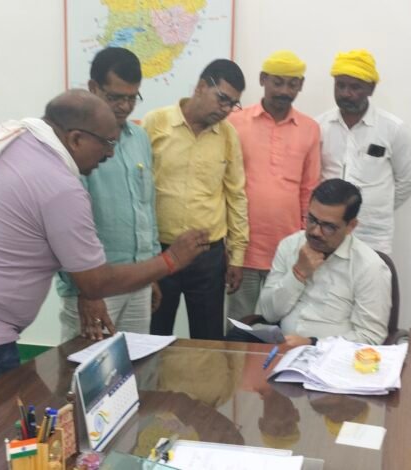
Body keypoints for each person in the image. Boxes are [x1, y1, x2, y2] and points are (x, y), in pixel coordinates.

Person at [0, 90, 209, 415]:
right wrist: (172, 260)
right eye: (108, 143)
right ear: (76, 139)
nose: (110, 154)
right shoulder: (60, 186)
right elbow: (95, 282)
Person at [55, 48, 161, 341]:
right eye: (115, 97)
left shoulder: (140, 138)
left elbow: (146, 207)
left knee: (136, 362)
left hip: (137, 283)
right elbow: (67, 226)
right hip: (96, 287)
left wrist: (150, 273)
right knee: (87, 365)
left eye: (132, 98)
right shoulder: (75, 142)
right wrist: (85, 292)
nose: (125, 107)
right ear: (93, 88)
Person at [143, 59, 249, 340]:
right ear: (201, 86)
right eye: (223, 99)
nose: (226, 110)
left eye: (233, 104)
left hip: (207, 256)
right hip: (160, 252)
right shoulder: (156, 123)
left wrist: (237, 257)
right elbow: (139, 191)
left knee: (208, 340)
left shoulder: (228, 135)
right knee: (154, 337)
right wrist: (143, 256)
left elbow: (236, 195)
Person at [229, 179, 391, 350]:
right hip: (281, 348)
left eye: (328, 227)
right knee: (234, 340)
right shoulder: (290, 245)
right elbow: (269, 314)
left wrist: (313, 344)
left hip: (331, 357)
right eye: (312, 219)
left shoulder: (369, 267)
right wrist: (298, 273)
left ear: (351, 226)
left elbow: (370, 337)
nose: (315, 232)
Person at [227, 50, 321, 320]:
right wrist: (230, 249)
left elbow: (309, 190)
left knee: (283, 326)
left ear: (301, 85)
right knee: (241, 326)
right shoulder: (234, 123)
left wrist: (306, 243)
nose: (284, 91)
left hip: (288, 252)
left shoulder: (310, 128)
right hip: (243, 251)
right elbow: (225, 188)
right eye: (277, 82)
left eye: (292, 84)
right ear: (262, 79)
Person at [317, 49, 411, 254]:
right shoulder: (319, 126)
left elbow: (408, 182)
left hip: (372, 236)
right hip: (326, 233)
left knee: (373, 277)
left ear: (371, 89)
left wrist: (375, 209)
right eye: (340, 85)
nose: (346, 93)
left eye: (355, 87)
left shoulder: (393, 129)